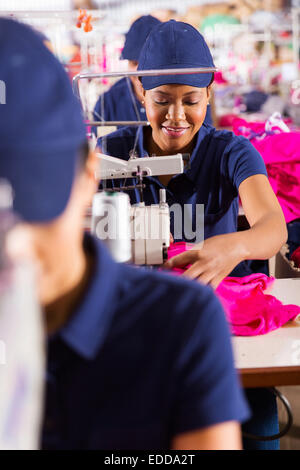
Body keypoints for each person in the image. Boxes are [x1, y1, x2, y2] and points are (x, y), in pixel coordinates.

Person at [0, 18, 250, 450]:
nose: (12, 246)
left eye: (30, 205)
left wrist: (235, 245)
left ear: (88, 178)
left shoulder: (178, 326)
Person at [96, 20, 288, 449]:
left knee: (255, 430)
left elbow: (272, 227)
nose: (176, 116)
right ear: (142, 91)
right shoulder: (111, 153)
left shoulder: (231, 152)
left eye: (191, 101)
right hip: (141, 333)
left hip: (223, 343)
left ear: (209, 95)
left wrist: (232, 247)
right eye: (161, 100)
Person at [92, 15, 215, 137]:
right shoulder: (108, 103)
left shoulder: (193, 93)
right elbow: (98, 145)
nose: (139, 71)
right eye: (134, 63)